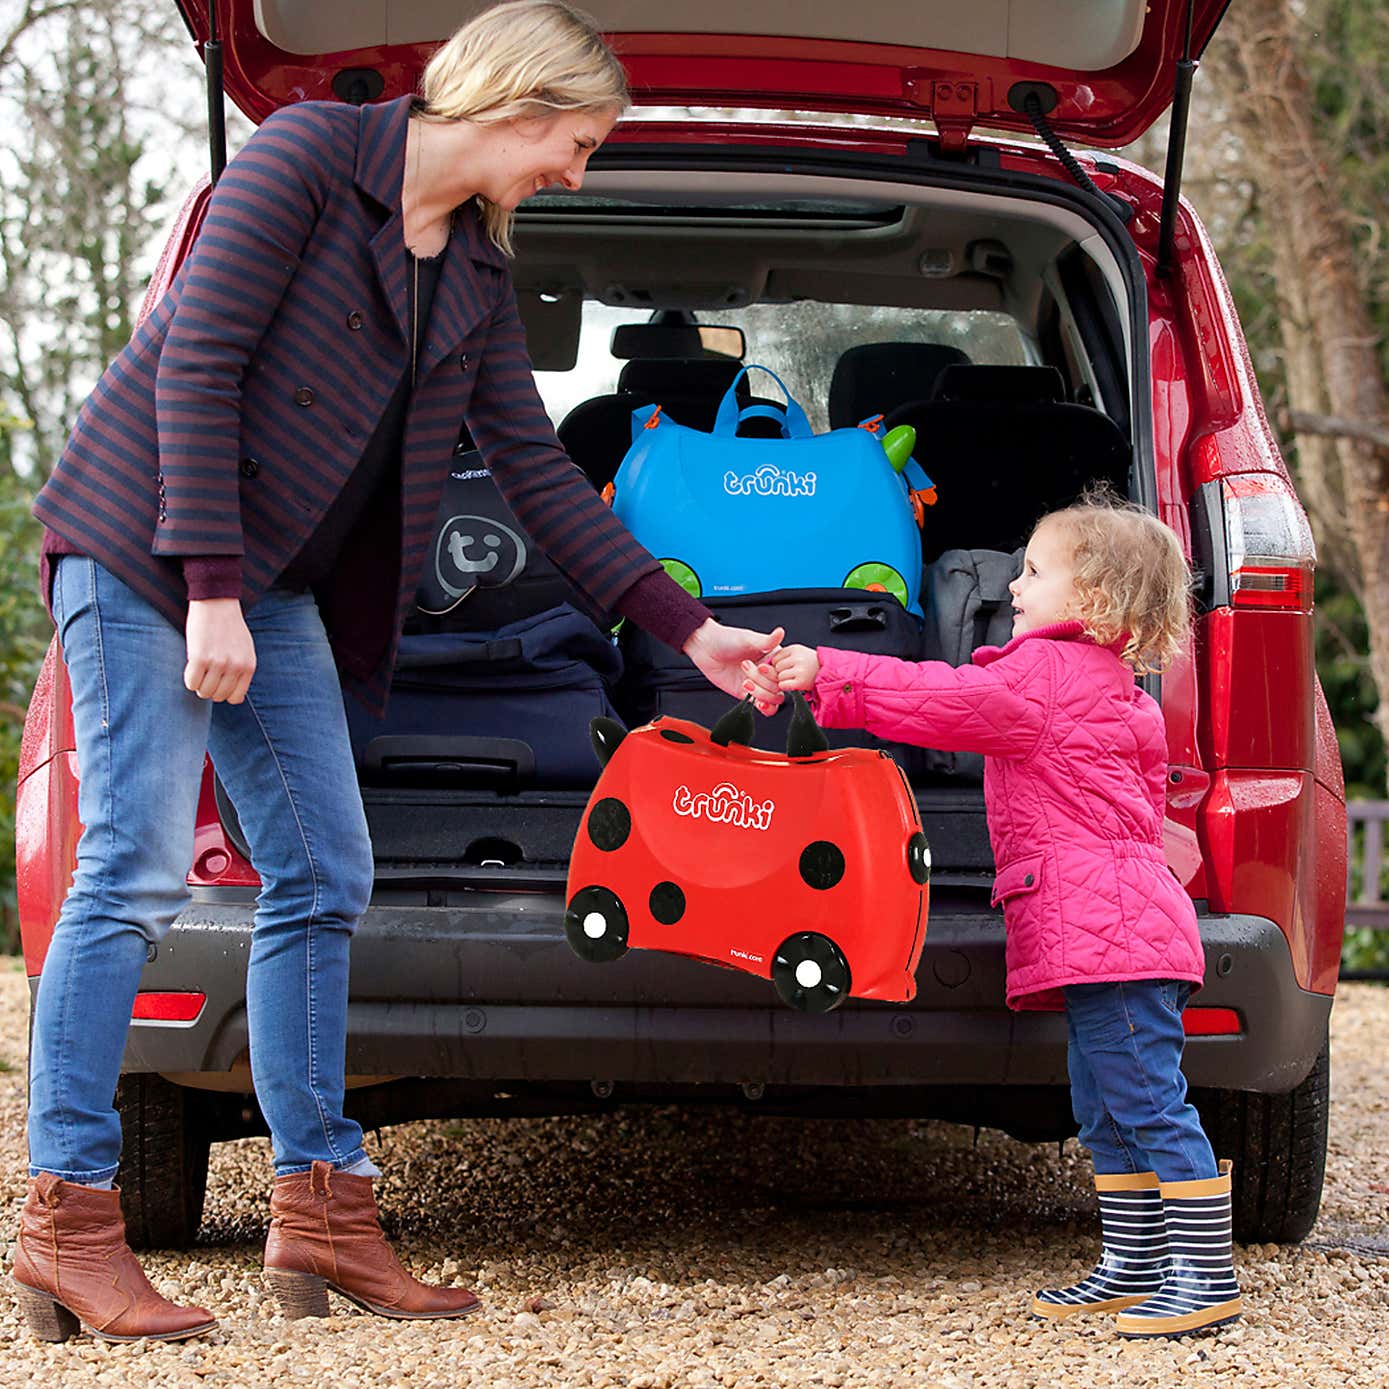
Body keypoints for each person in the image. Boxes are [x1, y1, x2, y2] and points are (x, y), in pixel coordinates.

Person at [16, 0, 783, 1345]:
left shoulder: (477, 272)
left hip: (273, 579)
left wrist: (686, 628)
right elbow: (197, 361)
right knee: (133, 864)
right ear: (516, 98)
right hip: (149, 543)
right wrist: (208, 590)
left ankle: (320, 1209)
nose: (576, 171)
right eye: (580, 142)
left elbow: (540, 473)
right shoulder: (308, 157)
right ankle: (67, 1221)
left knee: (324, 870)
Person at [743, 494, 1242, 1339]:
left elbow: (942, 698)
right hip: (1114, 929)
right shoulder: (1109, 684)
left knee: (1146, 1101)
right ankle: (1134, 1260)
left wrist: (825, 673)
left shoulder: (1044, 678)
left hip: (1112, 938)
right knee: (1106, 1101)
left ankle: (1203, 1270)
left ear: (1094, 600)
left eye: (1035, 571)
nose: (1013, 585)